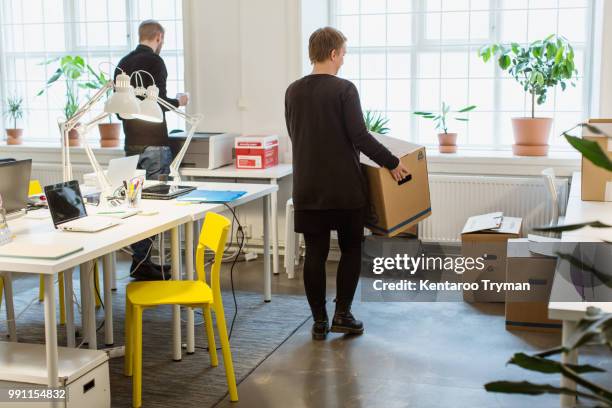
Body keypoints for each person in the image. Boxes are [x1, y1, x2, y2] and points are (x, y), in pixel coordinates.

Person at [285, 27, 410, 340]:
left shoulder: (293, 91)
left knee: (314, 253)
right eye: (343, 54)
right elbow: (360, 136)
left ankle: (318, 322)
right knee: (351, 248)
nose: (343, 60)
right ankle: (343, 314)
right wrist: (392, 163)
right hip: (344, 188)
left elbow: (295, 133)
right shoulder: (344, 89)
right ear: (332, 54)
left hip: (308, 187)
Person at [115, 20, 189, 280]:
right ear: (158, 37)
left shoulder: (122, 64)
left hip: (131, 142)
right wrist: (179, 101)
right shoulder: (156, 63)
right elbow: (158, 103)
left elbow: (121, 107)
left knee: (136, 204)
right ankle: (142, 262)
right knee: (157, 206)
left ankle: (141, 261)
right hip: (155, 143)